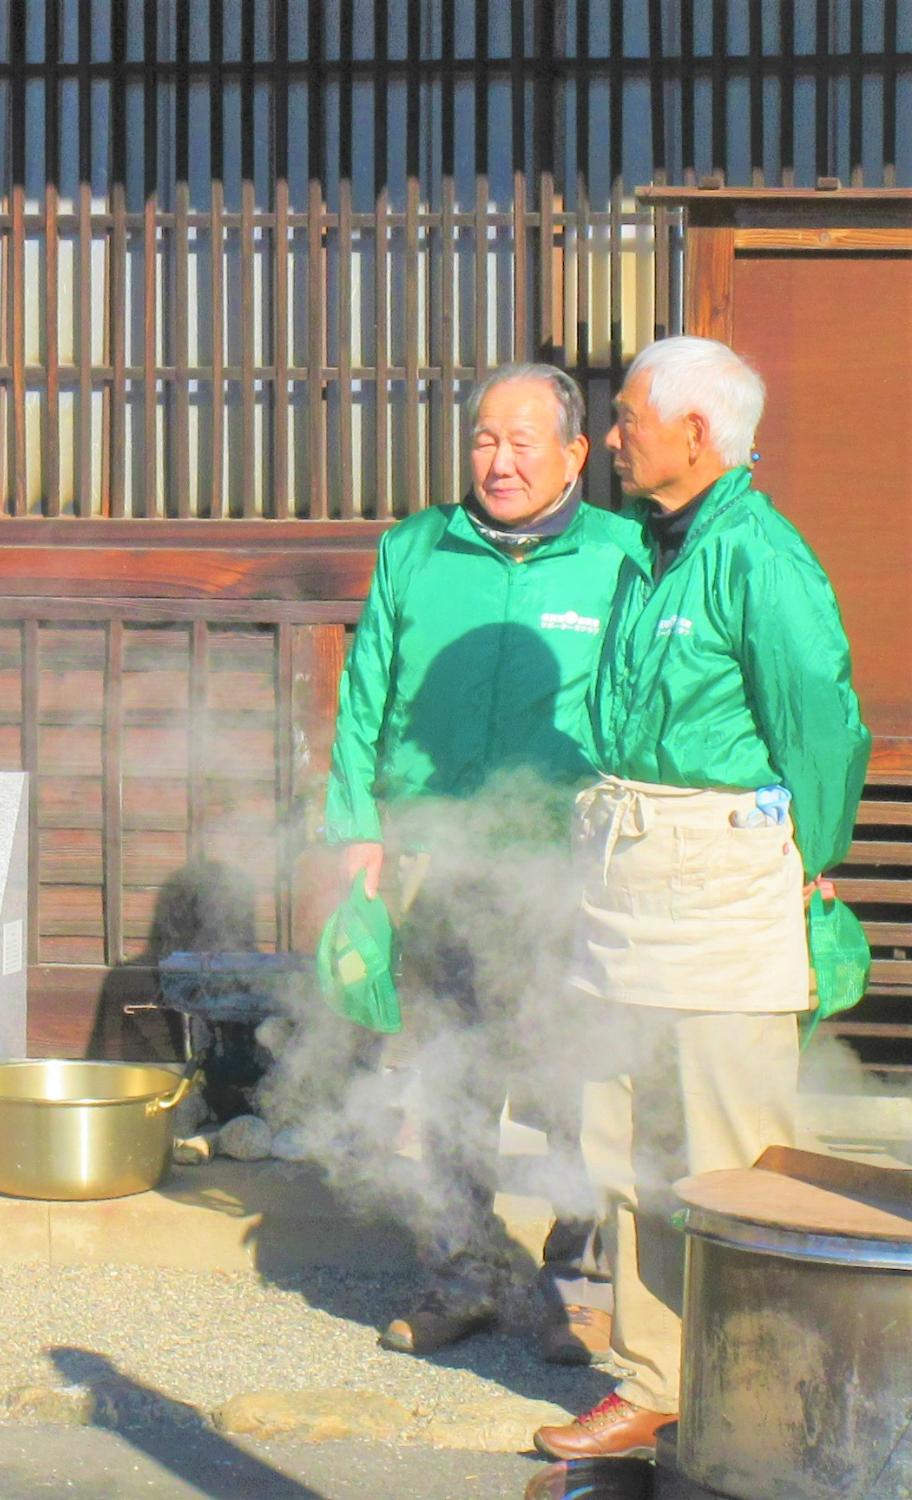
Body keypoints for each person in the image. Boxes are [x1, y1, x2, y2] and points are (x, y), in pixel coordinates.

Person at [535, 337, 869, 1461]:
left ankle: (760, 1403)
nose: (610, 433)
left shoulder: (759, 557)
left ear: (696, 433)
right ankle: (649, 1378)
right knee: (622, 1134)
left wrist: (811, 864)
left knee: (731, 1156)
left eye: (624, 415)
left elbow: (820, 722)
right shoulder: (648, 550)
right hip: (627, 864)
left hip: (722, 870)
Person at [323, 363, 646, 1358]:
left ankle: (577, 1283)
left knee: (567, 1075)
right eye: (480, 441)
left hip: (567, 864)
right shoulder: (416, 550)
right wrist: (353, 830)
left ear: (573, 455)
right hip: (436, 860)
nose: (496, 461)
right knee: (448, 1074)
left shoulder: (625, 555)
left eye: (518, 442)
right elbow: (361, 694)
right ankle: (458, 1274)